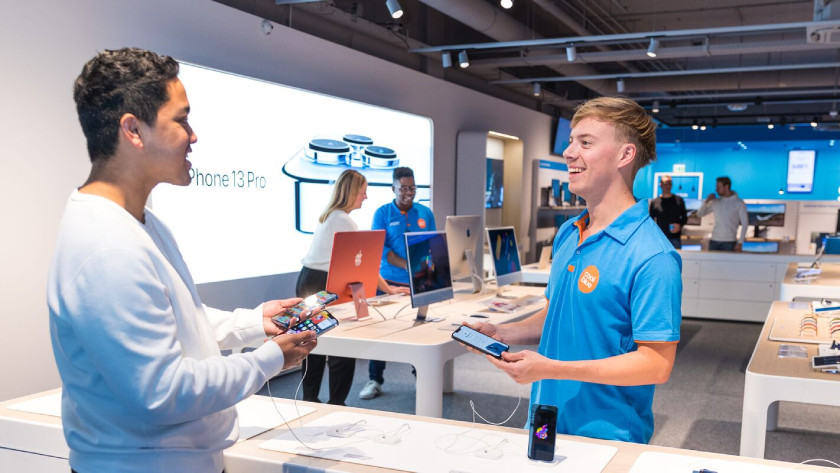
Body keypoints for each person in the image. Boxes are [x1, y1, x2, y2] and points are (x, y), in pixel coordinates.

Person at [47, 48, 317, 473]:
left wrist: (253, 323)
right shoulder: (108, 247)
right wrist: (269, 358)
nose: (193, 136)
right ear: (133, 130)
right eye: (182, 120)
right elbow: (163, 393)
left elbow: (171, 319)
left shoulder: (138, 222)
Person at [460, 97, 681, 444]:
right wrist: (503, 333)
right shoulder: (569, 232)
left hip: (606, 434)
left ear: (625, 155)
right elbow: (557, 315)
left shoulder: (653, 255)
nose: (568, 152)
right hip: (546, 418)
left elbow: (656, 364)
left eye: (586, 142)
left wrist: (552, 368)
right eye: (571, 141)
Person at [296, 169, 405, 405]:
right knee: (343, 346)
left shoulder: (329, 216)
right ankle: (337, 403)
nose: (365, 197)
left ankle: (309, 400)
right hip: (325, 283)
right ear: (352, 192)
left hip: (309, 280)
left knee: (312, 344)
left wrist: (386, 289)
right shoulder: (344, 221)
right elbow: (362, 265)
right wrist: (386, 290)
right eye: (363, 192)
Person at [359, 166, 436, 400]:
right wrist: (408, 265)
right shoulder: (383, 213)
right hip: (388, 281)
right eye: (403, 188)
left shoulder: (425, 213)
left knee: (420, 330)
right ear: (393, 188)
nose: (408, 192)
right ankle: (375, 379)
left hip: (418, 282)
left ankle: (420, 377)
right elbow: (381, 249)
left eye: (412, 187)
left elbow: (432, 245)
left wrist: (431, 272)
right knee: (381, 330)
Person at [696, 176, 748, 251]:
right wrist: (706, 201)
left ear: (726, 187)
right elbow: (699, 214)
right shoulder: (716, 202)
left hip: (730, 241)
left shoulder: (739, 203)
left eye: (718, 187)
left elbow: (745, 223)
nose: (716, 190)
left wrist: (740, 242)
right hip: (714, 240)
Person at [649, 175, 688, 248]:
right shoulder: (655, 202)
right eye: (666, 183)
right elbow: (651, 221)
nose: (668, 186)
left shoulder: (679, 200)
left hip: (675, 238)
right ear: (661, 185)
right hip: (660, 238)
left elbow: (685, 218)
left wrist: (679, 226)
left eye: (670, 183)